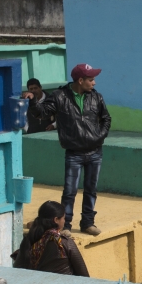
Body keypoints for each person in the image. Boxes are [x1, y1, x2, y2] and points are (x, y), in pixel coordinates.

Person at [28, 63, 112, 236]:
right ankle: (65, 226)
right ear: (80, 81)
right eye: (91, 79)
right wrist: (32, 100)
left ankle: (88, 223)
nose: (94, 83)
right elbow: (41, 112)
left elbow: (106, 119)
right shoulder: (60, 96)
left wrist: (99, 136)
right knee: (70, 191)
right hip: (74, 153)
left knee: (91, 189)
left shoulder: (97, 97)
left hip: (95, 152)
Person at [12, 201, 89, 276]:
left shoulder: (29, 239)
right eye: (64, 218)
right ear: (56, 220)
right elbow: (84, 276)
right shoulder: (64, 243)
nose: (64, 221)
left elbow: (18, 269)